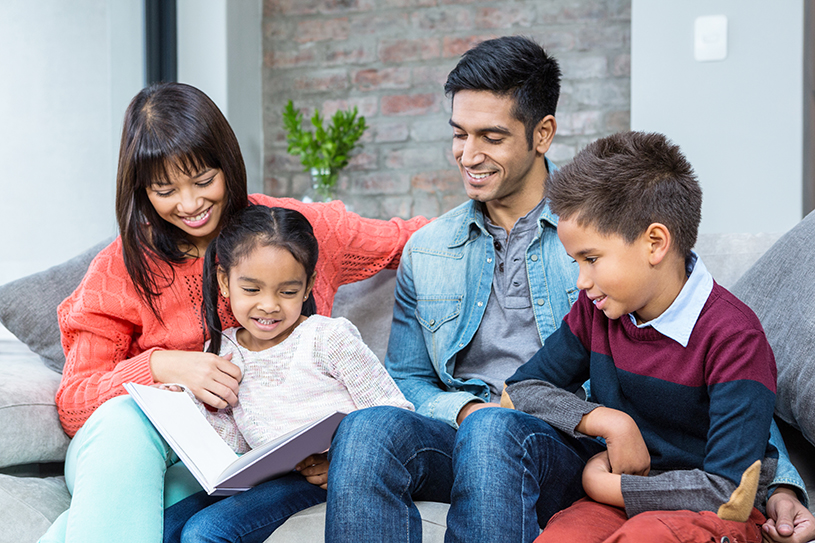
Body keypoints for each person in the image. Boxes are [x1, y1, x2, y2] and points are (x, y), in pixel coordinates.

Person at [324, 35, 813, 543]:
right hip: (470, 431)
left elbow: (722, 386)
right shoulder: (427, 250)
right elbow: (406, 380)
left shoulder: (600, 230)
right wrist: (473, 411)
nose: (468, 155)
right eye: (459, 135)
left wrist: (778, 486)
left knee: (495, 433)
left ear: (542, 133)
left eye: (491, 136)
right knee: (367, 430)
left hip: (561, 447)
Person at [39, 82, 427, 543]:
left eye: (204, 181)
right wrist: (162, 363)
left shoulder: (287, 230)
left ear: (228, 163)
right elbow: (75, 403)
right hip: (129, 443)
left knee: (136, 520)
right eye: (165, 190)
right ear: (141, 190)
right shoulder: (120, 267)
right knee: (125, 422)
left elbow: (414, 241)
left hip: (223, 456)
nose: (190, 204)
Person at [501, 130, 777, 543]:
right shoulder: (596, 314)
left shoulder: (735, 337)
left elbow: (729, 494)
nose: (581, 281)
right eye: (576, 262)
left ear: (655, 243)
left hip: (711, 513)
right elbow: (520, 389)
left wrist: (605, 485)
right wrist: (609, 421)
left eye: (591, 259)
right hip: (617, 503)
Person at [161, 204, 413, 543]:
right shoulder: (222, 349)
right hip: (261, 478)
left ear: (308, 287)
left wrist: (342, 462)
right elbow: (235, 437)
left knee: (206, 532)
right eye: (252, 290)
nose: (269, 305)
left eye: (287, 292)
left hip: (323, 477)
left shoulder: (328, 337)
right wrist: (184, 408)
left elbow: (395, 415)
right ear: (224, 282)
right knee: (163, 528)